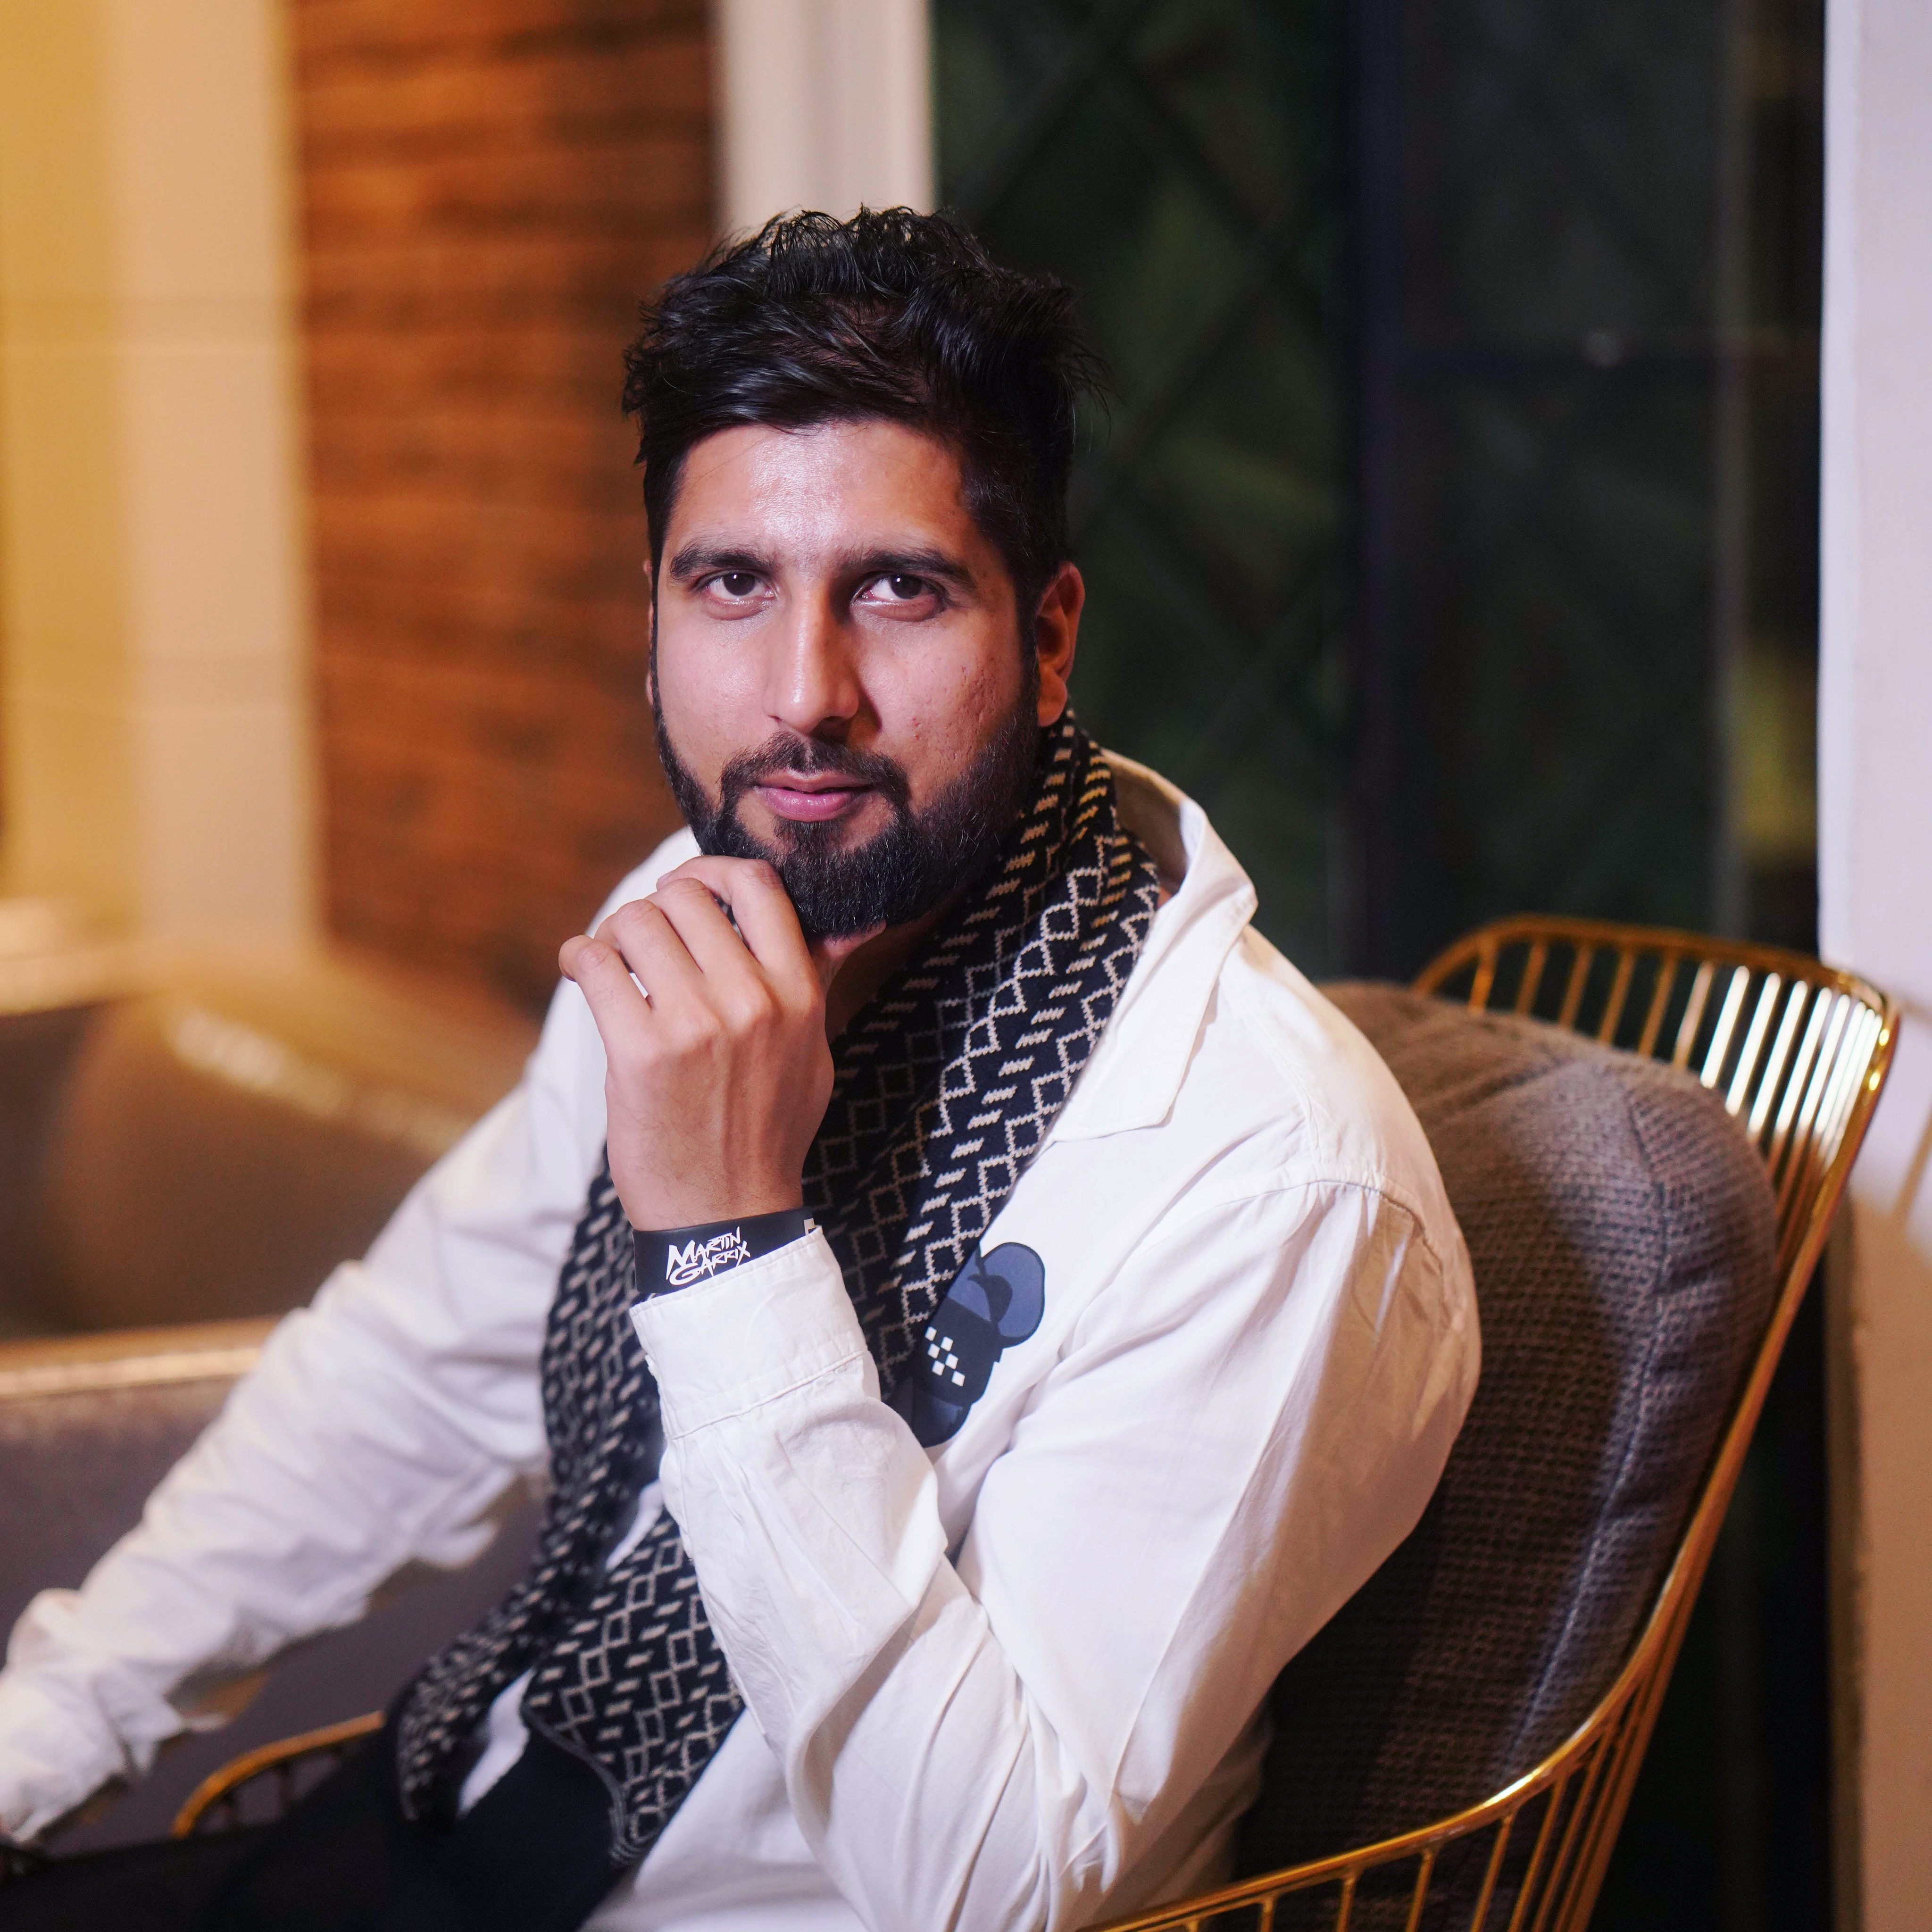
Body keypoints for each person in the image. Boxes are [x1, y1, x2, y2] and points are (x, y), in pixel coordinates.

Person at [0, 209, 1477, 1932]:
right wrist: (49, 1729)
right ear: (651, 618)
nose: (802, 698)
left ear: (1050, 637)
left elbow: (988, 1881)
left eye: (899, 589)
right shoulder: (694, 911)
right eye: (732, 585)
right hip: (441, 1817)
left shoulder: (1272, 1177)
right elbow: (411, 1374)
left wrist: (725, 1244)